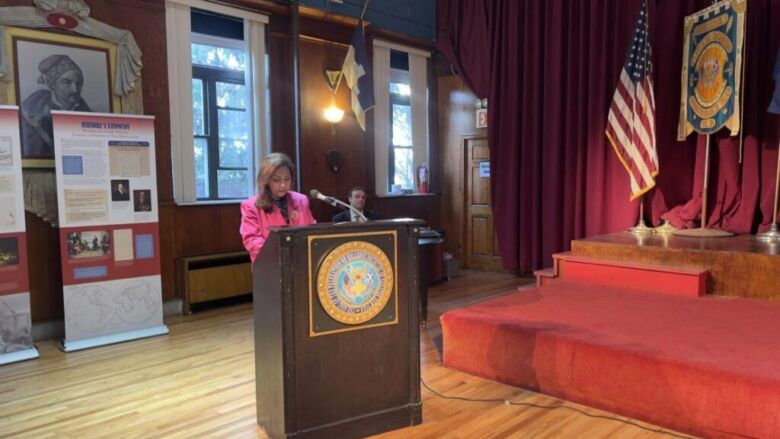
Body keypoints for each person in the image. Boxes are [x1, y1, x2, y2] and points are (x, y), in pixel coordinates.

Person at [240, 153, 316, 263]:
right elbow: (251, 240)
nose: (283, 185)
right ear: (265, 180)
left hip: (301, 261)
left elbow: (312, 230)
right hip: (270, 263)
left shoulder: (301, 200)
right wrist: (284, 251)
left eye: (287, 179)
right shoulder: (251, 205)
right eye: (276, 180)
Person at [21, 54, 92, 157]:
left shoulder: (88, 116)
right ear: (52, 84)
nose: (75, 89)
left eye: (78, 83)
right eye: (66, 82)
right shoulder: (30, 117)